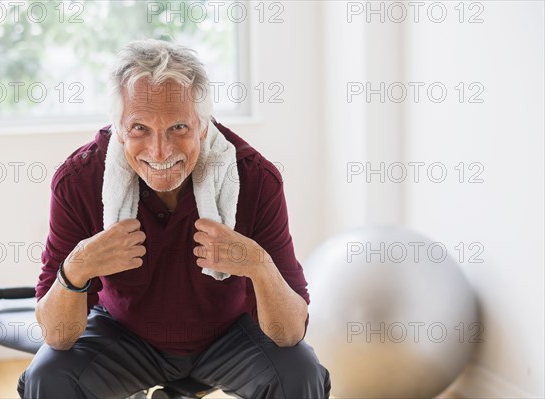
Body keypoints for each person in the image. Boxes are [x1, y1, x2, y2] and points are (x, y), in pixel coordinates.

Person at [18, 39, 331, 399]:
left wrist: (258, 264)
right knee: (48, 375)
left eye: (178, 128)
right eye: (139, 129)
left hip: (230, 334)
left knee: (299, 372)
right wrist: (78, 267)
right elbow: (57, 334)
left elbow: (290, 332)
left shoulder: (254, 178)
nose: (160, 151)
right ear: (118, 128)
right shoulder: (79, 180)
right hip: (124, 334)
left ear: (203, 125)